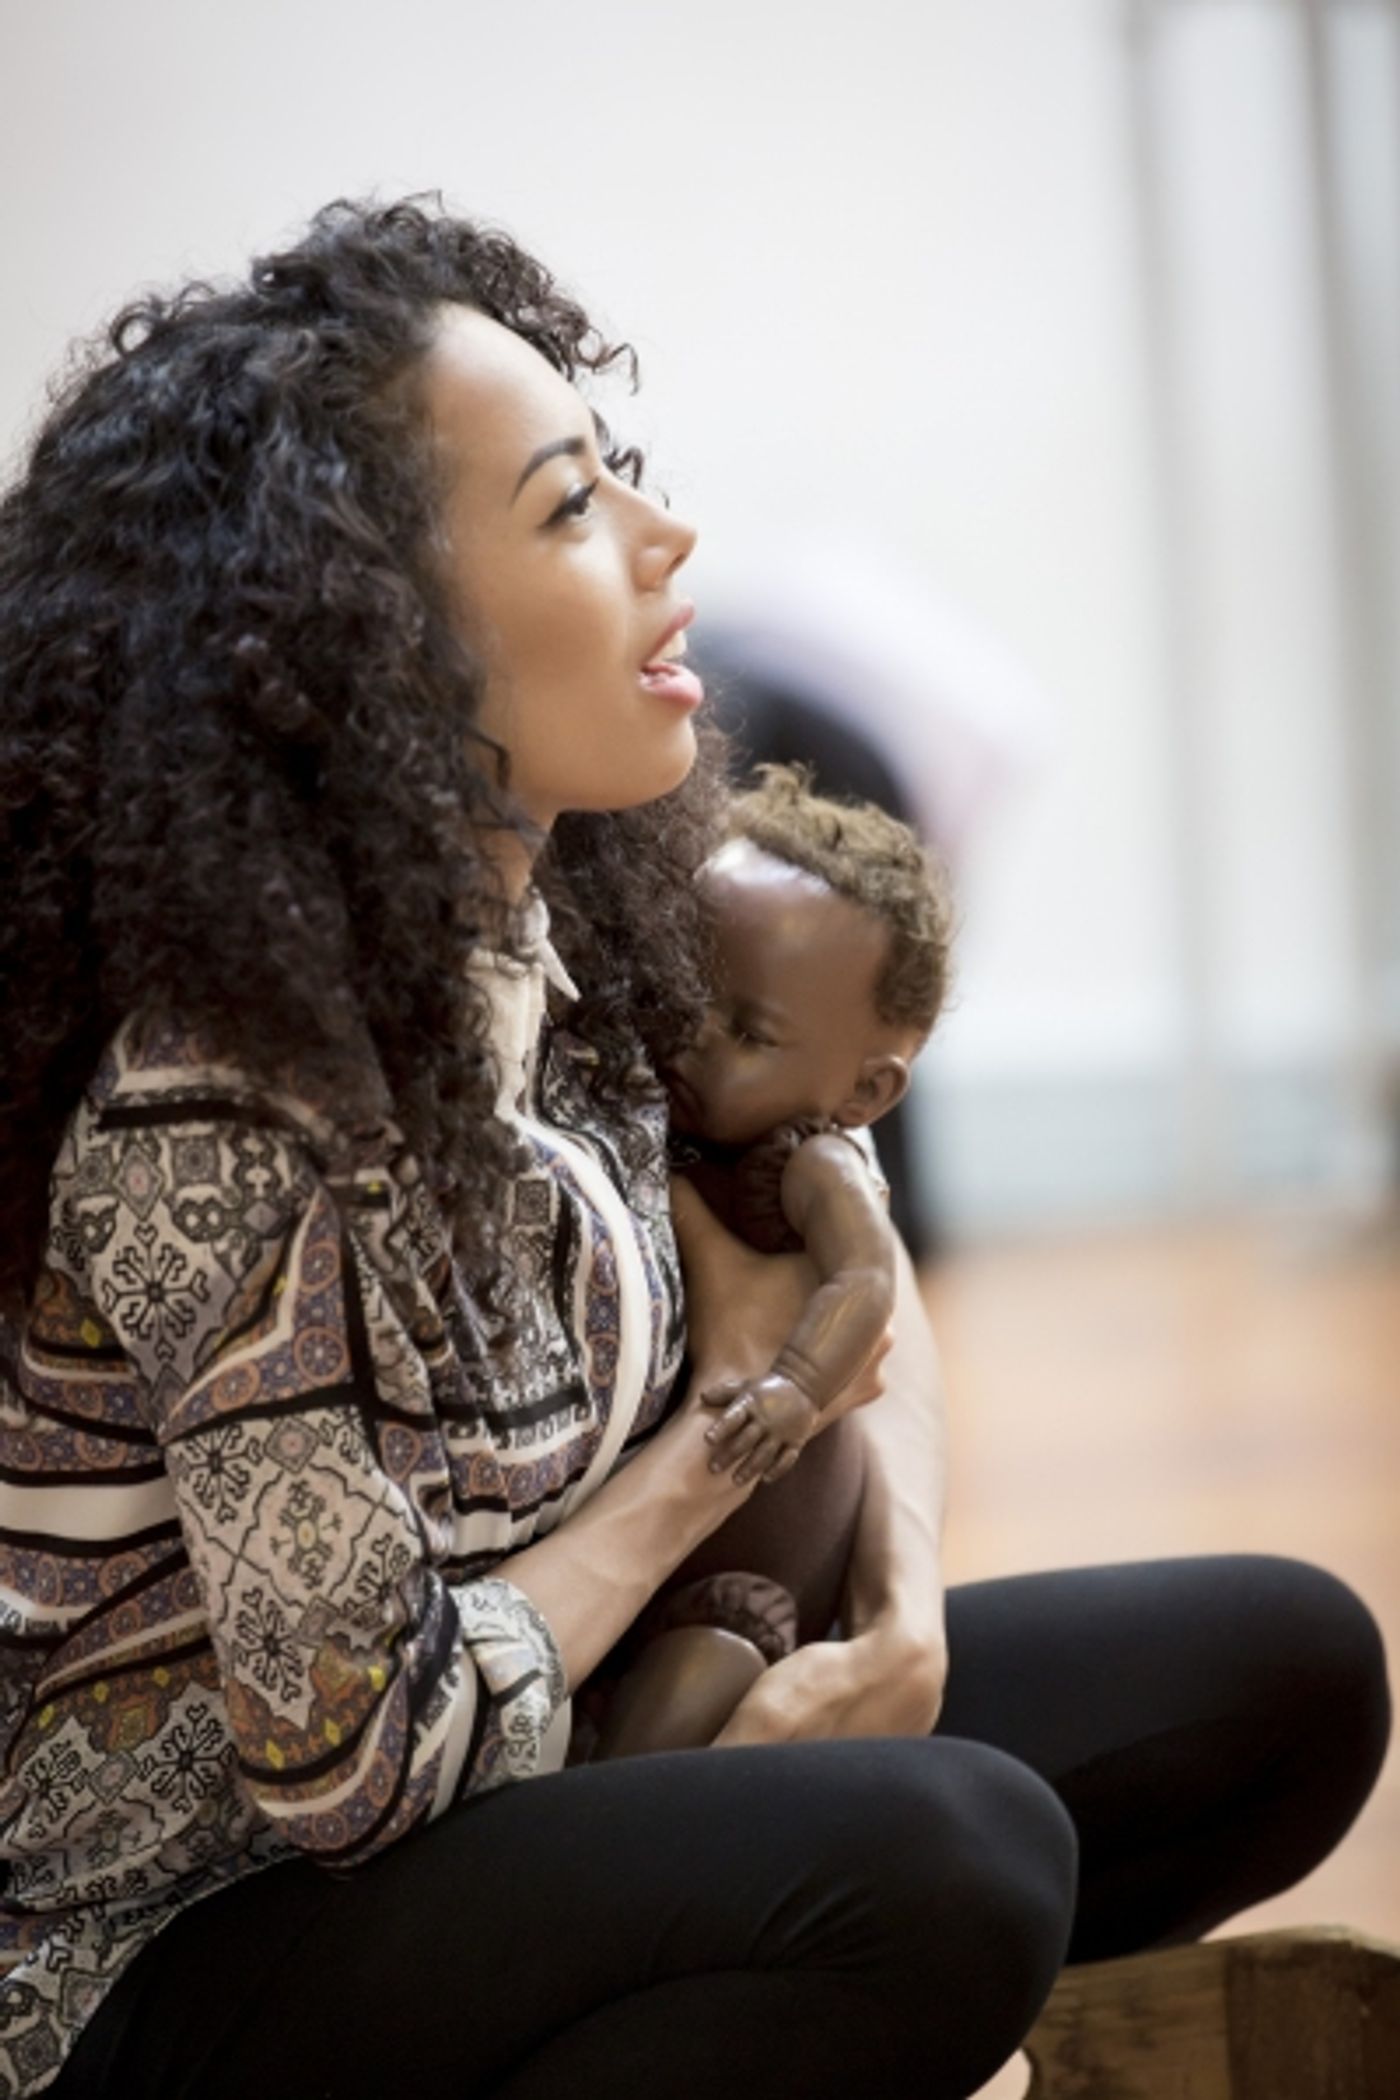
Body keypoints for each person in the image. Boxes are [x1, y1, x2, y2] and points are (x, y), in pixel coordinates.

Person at [0, 197, 1389, 2100]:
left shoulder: (611, 917)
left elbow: (854, 1254)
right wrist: (715, 1453)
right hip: (192, 1940)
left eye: (621, 468)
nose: (670, 538)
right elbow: (352, 1767)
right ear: (366, 643)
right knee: (953, 1863)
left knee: (1282, 1673)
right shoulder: (217, 1105)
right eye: (572, 507)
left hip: (568, 1744)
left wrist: (894, 1627)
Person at [592, 766, 954, 1758]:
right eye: (684, 995)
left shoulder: (805, 1165)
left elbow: (867, 1280)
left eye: (749, 1033)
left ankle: (613, 1821)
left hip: (746, 1559)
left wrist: (795, 1382)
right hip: (625, 1555)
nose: (691, 1041)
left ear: (865, 1092)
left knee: (688, 1692)